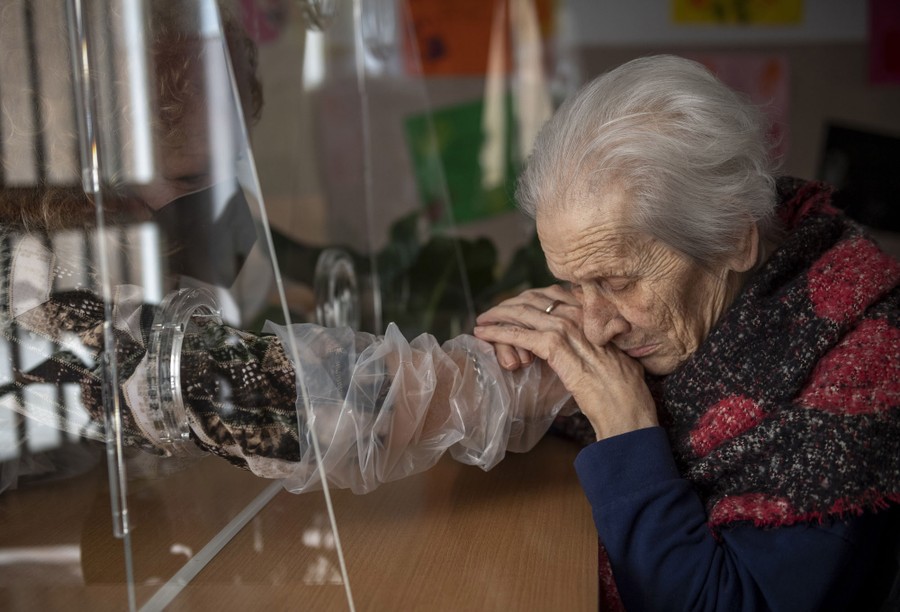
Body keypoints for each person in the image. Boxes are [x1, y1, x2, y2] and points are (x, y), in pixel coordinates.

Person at [472, 54, 900, 610]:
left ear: (732, 241)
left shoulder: (864, 365)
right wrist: (519, 362)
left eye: (619, 282)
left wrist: (626, 426)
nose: (595, 326)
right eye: (576, 285)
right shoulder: (694, 309)